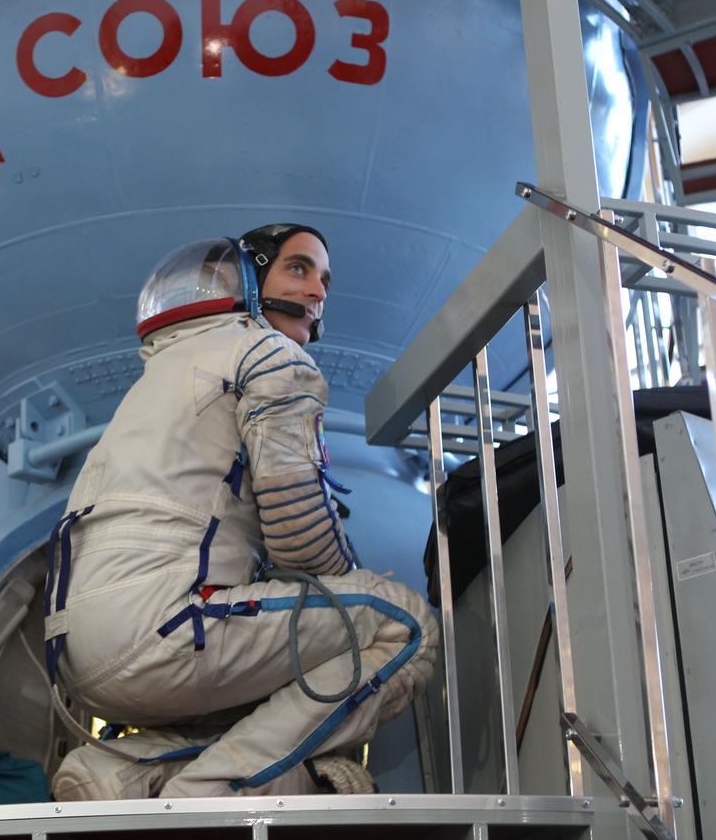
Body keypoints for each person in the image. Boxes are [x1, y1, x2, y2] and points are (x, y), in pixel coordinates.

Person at [44, 224, 438, 799]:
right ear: (246, 279)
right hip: (163, 626)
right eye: (298, 269)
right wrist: (354, 575)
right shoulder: (270, 356)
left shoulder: (162, 373)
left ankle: (127, 770)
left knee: (263, 675)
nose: (317, 292)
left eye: (324, 280)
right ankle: (213, 789)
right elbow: (303, 547)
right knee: (404, 624)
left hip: (76, 654)